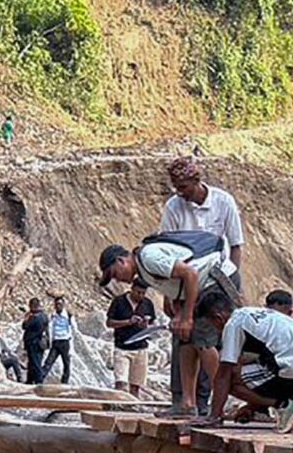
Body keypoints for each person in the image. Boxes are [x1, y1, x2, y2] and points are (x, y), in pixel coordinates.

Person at [100, 229, 239, 414]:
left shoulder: (148, 257)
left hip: (215, 279)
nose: (117, 279)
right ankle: (187, 405)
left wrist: (187, 317)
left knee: (201, 335)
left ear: (121, 260)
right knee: (184, 339)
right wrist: (179, 314)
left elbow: (190, 274)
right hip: (201, 284)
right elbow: (176, 287)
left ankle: (222, 399)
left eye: (114, 273)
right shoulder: (143, 273)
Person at [202, 288, 293, 432]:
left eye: (213, 325)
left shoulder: (234, 323)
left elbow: (224, 374)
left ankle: (285, 406)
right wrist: (252, 407)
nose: (216, 330)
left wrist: (214, 417)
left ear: (218, 318)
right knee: (272, 369)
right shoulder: (266, 316)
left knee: (232, 378)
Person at [159, 157, 247, 286]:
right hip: (187, 277)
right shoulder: (173, 207)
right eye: (176, 188)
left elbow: (235, 245)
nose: (180, 193)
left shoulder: (224, 201)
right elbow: (167, 250)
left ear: (196, 181)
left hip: (219, 275)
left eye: (183, 187)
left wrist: (231, 281)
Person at [104, 251, 158, 398]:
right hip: (122, 347)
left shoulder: (147, 304)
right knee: (120, 383)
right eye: (138, 292)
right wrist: (128, 322)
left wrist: (146, 325)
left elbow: (153, 324)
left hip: (141, 348)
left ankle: (132, 408)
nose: (140, 296)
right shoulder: (119, 301)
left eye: (143, 293)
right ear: (132, 288)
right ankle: (120, 407)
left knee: (136, 386)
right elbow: (109, 323)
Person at [47, 295, 76, 383]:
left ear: (63, 305)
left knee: (66, 364)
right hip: (56, 341)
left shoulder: (68, 315)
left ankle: (65, 381)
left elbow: (74, 328)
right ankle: (40, 378)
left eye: (60, 304)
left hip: (65, 341)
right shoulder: (52, 316)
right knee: (49, 362)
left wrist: (70, 340)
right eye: (57, 304)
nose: (58, 306)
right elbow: (49, 327)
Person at [21, 296, 50, 383]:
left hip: (33, 344)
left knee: (35, 364)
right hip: (41, 343)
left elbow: (25, 326)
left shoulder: (35, 318)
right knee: (33, 363)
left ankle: (39, 382)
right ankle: (30, 381)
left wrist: (26, 318)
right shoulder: (44, 316)